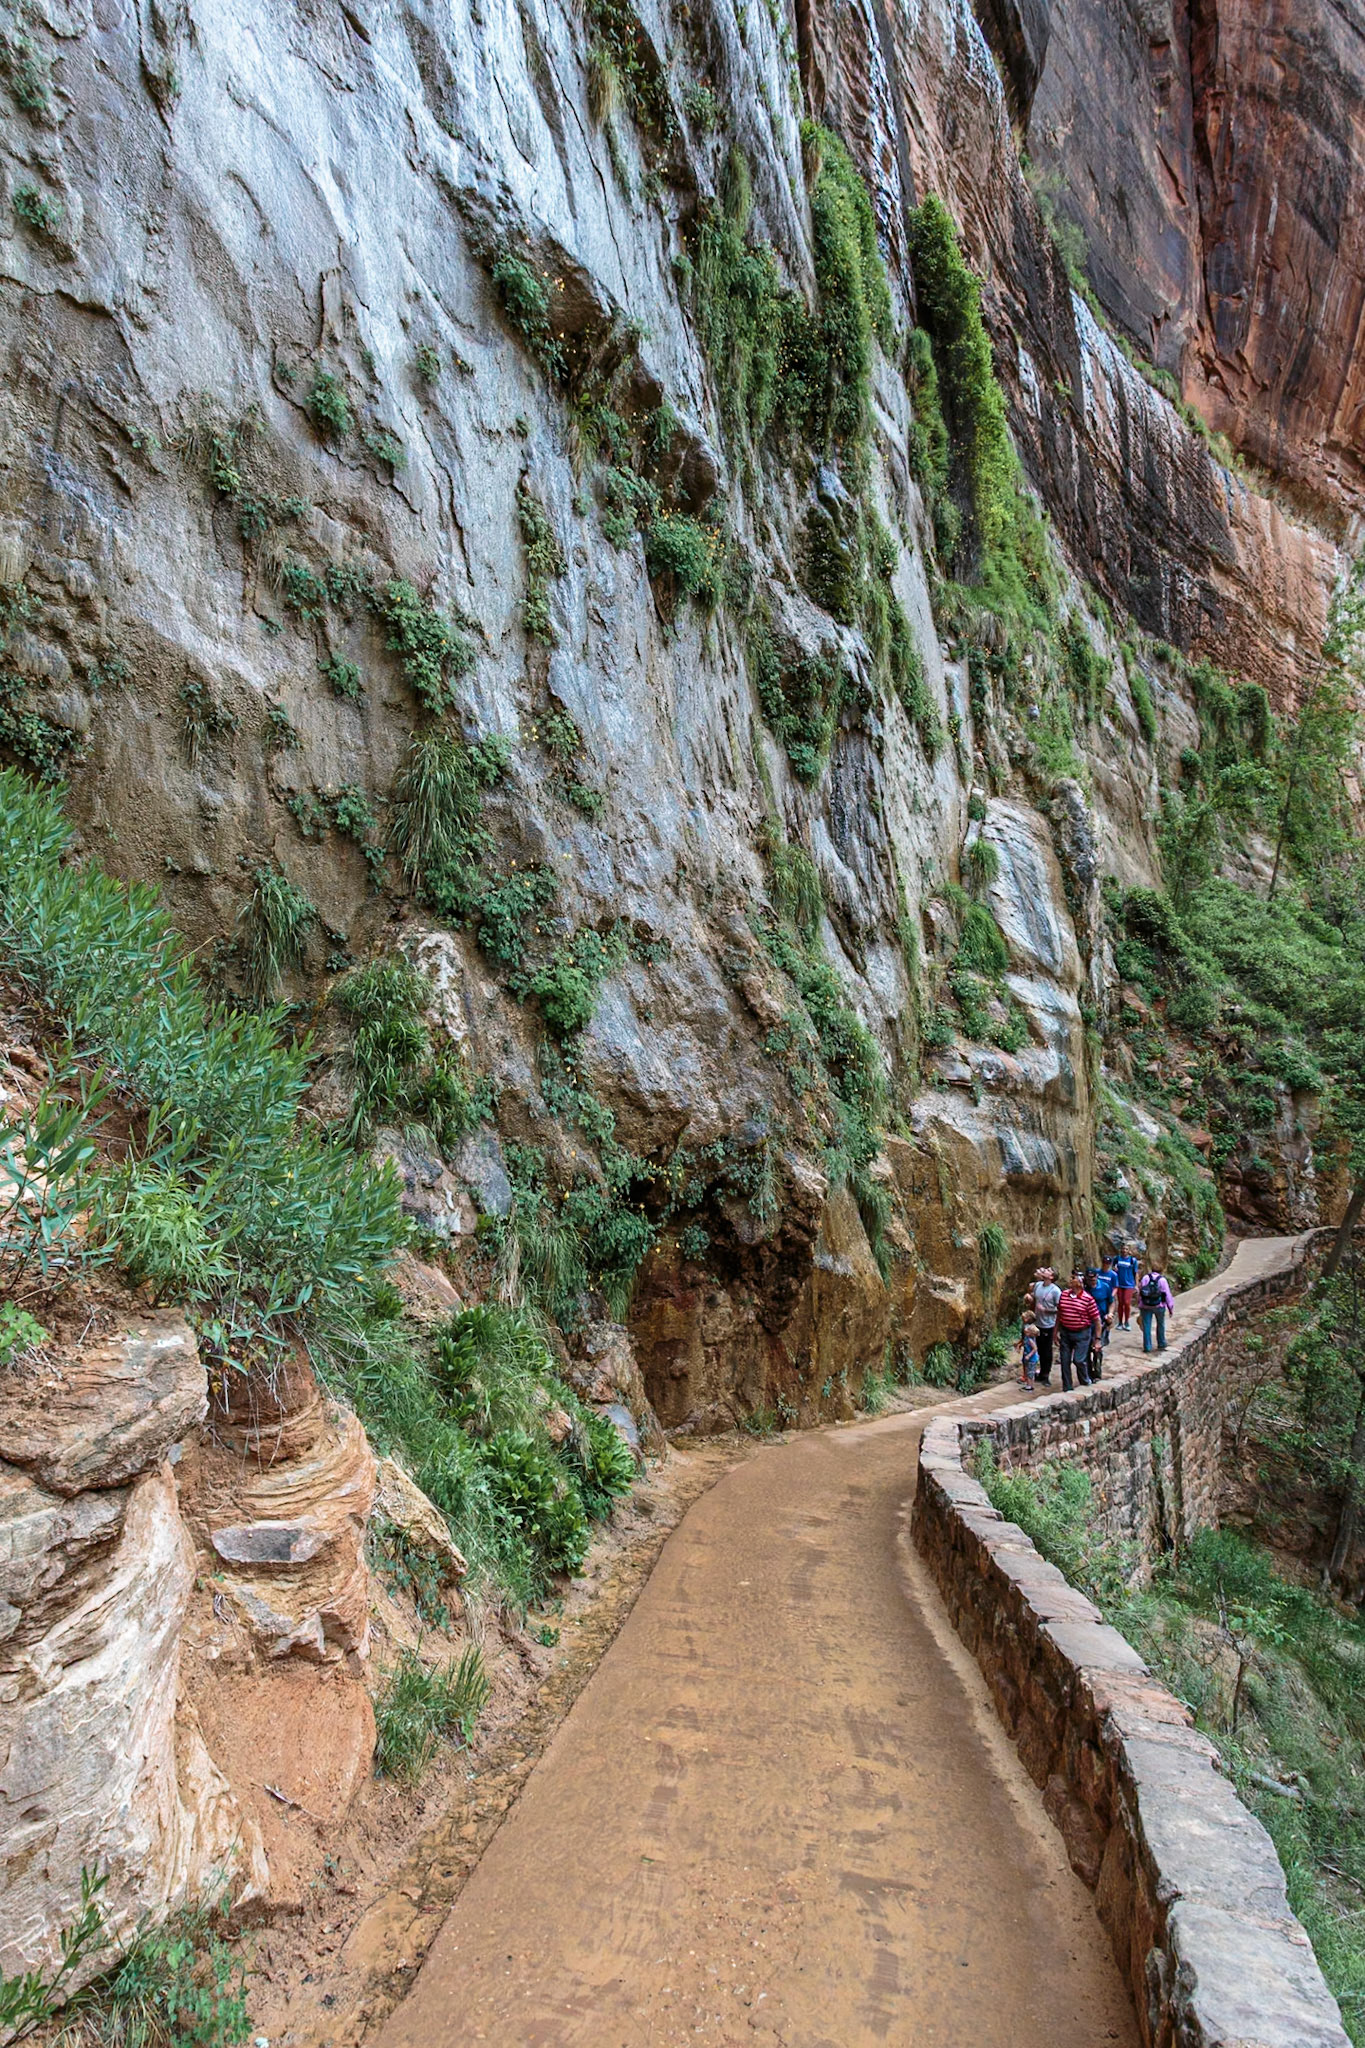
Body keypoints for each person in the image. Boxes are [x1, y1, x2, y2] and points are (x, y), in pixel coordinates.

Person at [1056, 1269, 1101, 1391]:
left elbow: (1097, 1320)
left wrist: (1097, 1340)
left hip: (1082, 1333)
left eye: (1074, 1279)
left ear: (1081, 1283)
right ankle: (1067, 1388)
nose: (1071, 1280)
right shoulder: (1064, 1295)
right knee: (1065, 1361)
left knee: (1079, 1360)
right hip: (1066, 1332)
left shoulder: (1088, 1299)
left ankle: (1085, 1382)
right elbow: (1059, 1315)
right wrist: (1055, 1333)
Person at [1032, 1267, 1061, 1386]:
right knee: (1038, 1348)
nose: (1045, 1270)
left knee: (1047, 1350)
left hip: (1049, 1324)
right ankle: (1041, 1372)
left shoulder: (1056, 1291)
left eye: (1049, 1270)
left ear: (1052, 1277)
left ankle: (1046, 1375)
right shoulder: (1038, 1285)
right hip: (1037, 1323)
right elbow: (1034, 1299)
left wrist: (1046, 1310)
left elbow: (1059, 1309)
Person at [1138, 1264, 1175, 1352]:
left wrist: (1140, 1304)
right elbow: (1167, 1294)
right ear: (1161, 1271)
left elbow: (1140, 1291)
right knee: (1160, 1324)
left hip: (1145, 1305)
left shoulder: (1145, 1278)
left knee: (1147, 1325)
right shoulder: (1162, 1280)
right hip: (1159, 1305)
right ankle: (1161, 1343)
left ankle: (1147, 1346)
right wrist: (1170, 1308)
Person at [1090, 1258, 1118, 1366]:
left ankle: (1097, 1367)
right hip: (1088, 1320)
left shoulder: (1108, 1282)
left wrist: (1110, 1313)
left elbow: (1112, 1301)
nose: (1106, 1264)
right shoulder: (1086, 1288)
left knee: (1098, 1345)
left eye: (1108, 1263)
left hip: (1102, 1317)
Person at [1113, 1245, 1139, 1330]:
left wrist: (1136, 1285)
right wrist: (1114, 1269)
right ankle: (1120, 1322)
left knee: (1127, 1303)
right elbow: (1113, 1269)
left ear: (1129, 1251)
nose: (1124, 1250)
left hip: (1129, 1284)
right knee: (1120, 1303)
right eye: (1123, 1248)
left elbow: (1136, 1273)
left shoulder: (1132, 1260)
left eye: (1126, 1249)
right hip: (1119, 1284)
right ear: (1121, 1250)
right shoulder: (1117, 1259)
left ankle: (1127, 1322)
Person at [1018, 1316, 1040, 1390]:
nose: (1025, 1330)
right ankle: (1028, 1385)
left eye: (1027, 1330)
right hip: (1029, 1358)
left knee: (1030, 1373)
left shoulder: (1031, 1340)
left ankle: (1030, 1386)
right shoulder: (1027, 1338)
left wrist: (1029, 1355)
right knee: (1029, 1372)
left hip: (1032, 1359)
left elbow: (1035, 1349)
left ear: (1031, 1333)